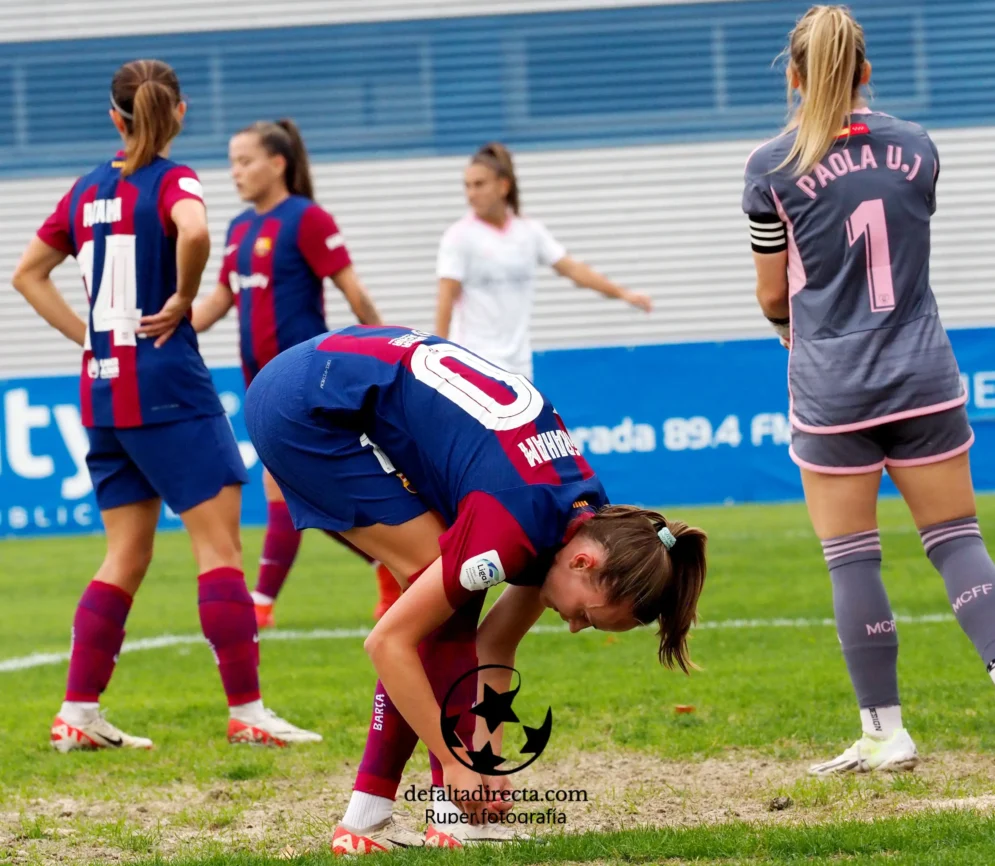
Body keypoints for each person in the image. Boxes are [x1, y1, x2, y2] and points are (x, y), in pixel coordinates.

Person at [243, 324, 708, 852]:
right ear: (584, 562)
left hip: (334, 374)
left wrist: (486, 760)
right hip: (301, 404)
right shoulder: (516, 524)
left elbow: (496, 644)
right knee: (435, 598)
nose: (575, 626)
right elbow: (386, 643)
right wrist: (453, 760)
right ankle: (439, 817)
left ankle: (369, 822)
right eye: (588, 615)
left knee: (449, 606)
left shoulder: (582, 516)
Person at [11, 59, 320, 751]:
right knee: (219, 549)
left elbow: (26, 274)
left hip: (102, 388)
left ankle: (78, 713)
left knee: (123, 555)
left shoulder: (86, 188)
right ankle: (247, 713)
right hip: (169, 388)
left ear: (114, 118)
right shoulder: (175, 179)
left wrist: (87, 338)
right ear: (178, 112)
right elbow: (197, 232)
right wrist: (181, 298)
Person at [743, 5, 995, 776]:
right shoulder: (917, 147)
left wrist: (795, 320)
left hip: (831, 385)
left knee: (852, 560)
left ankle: (884, 731)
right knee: (956, 544)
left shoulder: (769, 167)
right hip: (921, 370)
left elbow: (771, 297)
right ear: (865, 70)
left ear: (792, 75)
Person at [192, 119, 399, 629]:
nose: (235, 172)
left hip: (305, 377)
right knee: (309, 492)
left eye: (245, 161)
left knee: (280, 487)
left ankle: (260, 603)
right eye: (232, 163)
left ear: (277, 163)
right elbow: (221, 298)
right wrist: (167, 332)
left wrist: (393, 351)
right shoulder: (239, 228)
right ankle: (389, 563)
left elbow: (353, 290)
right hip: (258, 384)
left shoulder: (307, 219)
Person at [434, 142, 653, 381]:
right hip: (474, 363)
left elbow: (572, 268)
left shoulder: (529, 231)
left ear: (503, 186)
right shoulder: (458, 237)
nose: (471, 194)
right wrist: (439, 359)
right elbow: (446, 299)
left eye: (479, 184)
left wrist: (623, 294)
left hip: (518, 367)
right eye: (466, 186)